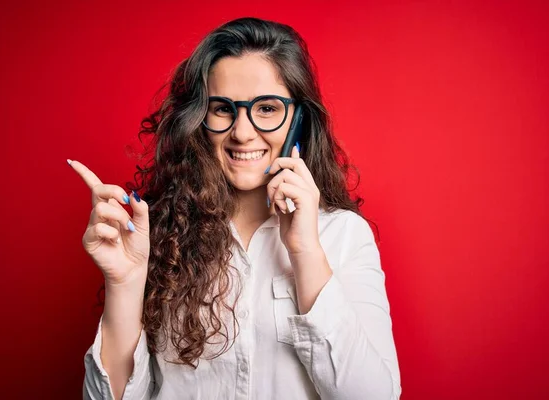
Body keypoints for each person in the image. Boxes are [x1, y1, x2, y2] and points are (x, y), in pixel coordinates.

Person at [70, 17, 401, 400]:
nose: (243, 132)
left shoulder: (342, 235)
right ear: (198, 119)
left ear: (298, 119)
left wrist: (305, 250)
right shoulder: (157, 236)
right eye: (223, 109)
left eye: (266, 109)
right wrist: (124, 284)